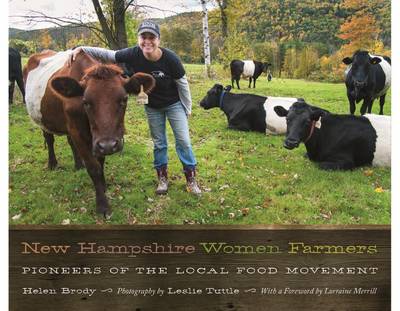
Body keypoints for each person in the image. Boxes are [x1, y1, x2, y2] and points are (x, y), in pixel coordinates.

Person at [69, 20, 201, 195]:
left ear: (158, 39)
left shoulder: (171, 59)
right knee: (159, 142)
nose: (147, 41)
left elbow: (182, 84)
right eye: (143, 37)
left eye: (151, 37)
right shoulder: (133, 54)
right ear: (139, 39)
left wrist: (188, 107)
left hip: (174, 105)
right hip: (153, 106)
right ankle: (162, 179)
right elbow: (109, 54)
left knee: (183, 141)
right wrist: (81, 48)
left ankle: (191, 180)